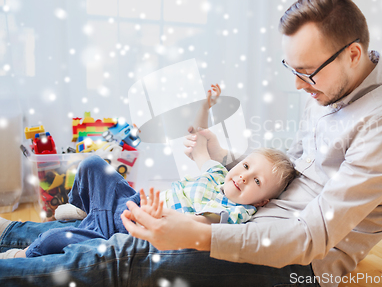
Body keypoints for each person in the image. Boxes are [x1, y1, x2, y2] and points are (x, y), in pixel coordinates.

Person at [0, 0, 382, 287]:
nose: (300, 86)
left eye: (306, 73)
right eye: (292, 70)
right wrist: (226, 158)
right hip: (244, 214)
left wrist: (197, 234)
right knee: (116, 198)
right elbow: (291, 166)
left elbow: (308, 238)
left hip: (295, 265)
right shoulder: (328, 87)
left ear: (353, 54)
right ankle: (13, 235)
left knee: (125, 254)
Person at [1, 85, 296, 259]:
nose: (243, 176)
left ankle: (21, 257)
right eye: (246, 166)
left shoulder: (233, 214)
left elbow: (198, 224)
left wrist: (160, 216)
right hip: (131, 201)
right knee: (93, 164)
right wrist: (206, 106)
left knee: (57, 240)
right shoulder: (218, 173)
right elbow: (199, 139)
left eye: (256, 181)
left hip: (131, 227)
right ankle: (82, 208)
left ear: (261, 202)